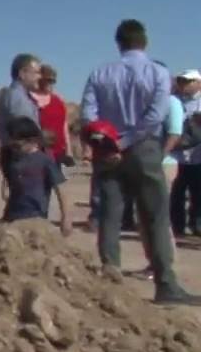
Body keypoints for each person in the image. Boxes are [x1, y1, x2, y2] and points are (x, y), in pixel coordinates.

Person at [80, 19, 199, 305]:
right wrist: (128, 140)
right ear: (145, 42)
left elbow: (87, 115)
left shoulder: (100, 73)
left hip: (107, 150)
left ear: (118, 43)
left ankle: (111, 283)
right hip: (144, 148)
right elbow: (156, 115)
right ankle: (165, 285)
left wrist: (109, 142)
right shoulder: (158, 72)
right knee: (155, 216)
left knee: (110, 216)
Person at [2, 117, 73, 235]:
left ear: (32, 140)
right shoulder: (12, 159)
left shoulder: (45, 161)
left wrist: (66, 217)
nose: (14, 149)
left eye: (17, 145)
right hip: (12, 215)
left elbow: (60, 189)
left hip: (35, 216)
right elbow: (9, 179)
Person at [0, 53, 43, 188]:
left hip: (19, 156)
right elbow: (24, 132)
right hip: (22, 157)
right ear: (22, 73)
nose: (39, 77)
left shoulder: (18, 95)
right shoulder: (17, 98)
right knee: (28, 203)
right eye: (37, 72)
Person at [169, 69, 201, 237]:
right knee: (177, 192)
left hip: (198, 155)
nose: (184, 84)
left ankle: (197, 224)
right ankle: (177, 225)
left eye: (188, 81)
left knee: (198, 193)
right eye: (181, 81)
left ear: (198, 83)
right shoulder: (174, 101)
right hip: (178, 156)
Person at [34, 64, 73, 167]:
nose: (49, 84)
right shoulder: (30, 101)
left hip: (58, 152)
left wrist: (69, 150)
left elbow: (64, 126)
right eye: (47, 80)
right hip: (38, 152)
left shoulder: (58, 101)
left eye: (52, 81)